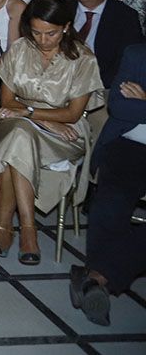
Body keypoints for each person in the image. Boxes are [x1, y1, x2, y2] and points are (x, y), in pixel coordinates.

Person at [0, 0, 103, 264]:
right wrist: (36, 118)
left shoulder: (83, 59)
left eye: (51, 33)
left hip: (64, 133)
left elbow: (72, 114)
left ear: (66, 27)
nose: (43, 40)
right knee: (19, 136)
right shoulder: (21, 49)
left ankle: (4, 229)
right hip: (16, 120)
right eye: (36, 32)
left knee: (15, 142)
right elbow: (8, 101)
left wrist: (30, 113)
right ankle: (28, 230)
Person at [70, 45, 146, 326]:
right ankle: (96, 281)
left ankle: (97, 279)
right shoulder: (137, 54)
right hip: (131, 145)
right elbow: (120, 106)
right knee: (109, 203)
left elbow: (135, 106)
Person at [71, 0, 145, 91]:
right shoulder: (62, 9)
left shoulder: (125, 17)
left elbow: (126, 63)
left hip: (100, 87)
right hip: (56, 83)